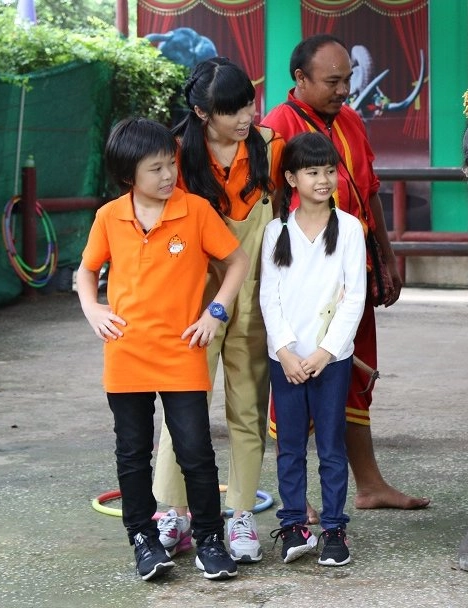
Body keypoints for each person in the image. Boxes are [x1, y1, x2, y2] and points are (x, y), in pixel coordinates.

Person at [75, 117, 247, 581]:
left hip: (182, 351)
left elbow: (236, 260)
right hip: (126, 352)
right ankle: (144, 541)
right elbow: (87, 271)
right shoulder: (109, 217)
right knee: (132, 453)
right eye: (156, 168)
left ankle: (211, 540)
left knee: (196, 452)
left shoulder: (194, 211)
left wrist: (216, 311)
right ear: (129, 175)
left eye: (170, 164)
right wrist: (93, 309)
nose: (168, 175)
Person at [262, 34, 429, 511]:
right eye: (333, 82)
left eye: (347, 80)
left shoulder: (352, 120)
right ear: (300, 80)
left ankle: (371, 485)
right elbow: (271, 206)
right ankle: (297, 497)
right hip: (301, 281)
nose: (344, 90)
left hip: (352, 271)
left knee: (353, 372)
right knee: (295, 377)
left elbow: (369, 190)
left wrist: (388, 258)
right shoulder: (277, 126)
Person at [152, 57, 285, 564]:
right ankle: (173, 511)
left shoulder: (271, 147)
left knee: (248, 408)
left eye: (247, 103)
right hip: (193, 304)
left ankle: (243, 515)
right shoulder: (173, 156)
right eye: (231, 111)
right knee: (184, 410)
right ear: (202, 112)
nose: (245, 117)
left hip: (253, 298)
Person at [260, 132, 367, 566]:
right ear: (290, 178)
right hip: (285, 361)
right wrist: (285, 351)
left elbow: (354, 297)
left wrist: (325, 352)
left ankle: (335, 531)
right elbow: (270, 297)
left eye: (329, 171)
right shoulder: (275, 230)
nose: (323, 180)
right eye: (312, 172)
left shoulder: (350, 230)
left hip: (332, 360)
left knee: (330, 446)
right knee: (288, 447)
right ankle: (292, 526)